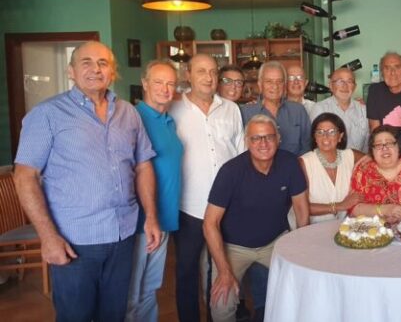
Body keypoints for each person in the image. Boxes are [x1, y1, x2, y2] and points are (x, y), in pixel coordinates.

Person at [13, 41, 160, 321]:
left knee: (114, 315)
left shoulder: (128, 112)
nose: (96, 69)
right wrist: (48, 237)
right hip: (75, 240)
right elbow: (25, 177)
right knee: (75, 316)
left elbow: (143, 165)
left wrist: (151, 216)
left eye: (103, 63)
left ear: (113, 71)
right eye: (86, 62)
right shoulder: (47, 115)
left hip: (123, 234)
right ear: (71, 71)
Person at [203, 115, 310, 322]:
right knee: (221, 303)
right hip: (234, 246)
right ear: (246, 141)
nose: (263, 144)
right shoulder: (230, 171)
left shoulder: (289, 163)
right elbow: (210, 223)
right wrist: (224, 272)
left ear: (278, 138)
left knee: (302, 285)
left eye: (269, 137)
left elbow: (301, 209)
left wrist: (299, 251)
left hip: (276, 241)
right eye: (256, 138)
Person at [169, 53, 246, 322]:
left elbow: (240, 156)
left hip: (226, 208)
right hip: (189, 206)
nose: (209, 77)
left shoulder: (231, 109)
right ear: (188, 74)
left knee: (221, 269)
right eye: (201, 71)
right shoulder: (173, 108)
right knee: (187, 272)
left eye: (213, 72)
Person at [126, 59, 184, 322]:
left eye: (171, 83)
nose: (165, 88)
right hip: (141, 221)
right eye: (159, 82)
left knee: (150, 288)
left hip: (165, 217)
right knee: (131, 292)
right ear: (145, 83)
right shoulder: (133, 118)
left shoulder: (169, 120)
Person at [288, 113, 366, 229]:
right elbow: (300, 207)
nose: (325, 137)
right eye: (320, 132)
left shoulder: (351, 156)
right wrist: (339, 206)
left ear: (340, 136)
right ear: (314, 137)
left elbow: (377, 161)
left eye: (332, 132)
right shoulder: (304, 162)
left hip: (342, 227)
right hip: (309, 228)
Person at [241, 61, 311, 156]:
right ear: (260, 84)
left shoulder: (298, 111)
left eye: (279, 81)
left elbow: (307, 148)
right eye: (269, 81)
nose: (275, 86)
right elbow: (242, 149)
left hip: (293, 168)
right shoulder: (246, 112)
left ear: (284, 85)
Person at [310, 67, 369, 152]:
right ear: (330, 85)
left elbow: (367, 144)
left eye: (349, 82)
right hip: (329, 163)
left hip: (358, 162)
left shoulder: (363, 110)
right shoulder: (319, 109)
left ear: (355, 87)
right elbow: (316, 144)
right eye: (340, 81)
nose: (344, 86)